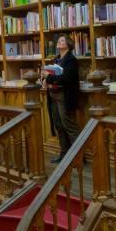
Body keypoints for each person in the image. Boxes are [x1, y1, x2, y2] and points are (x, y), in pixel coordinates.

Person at [44, 35, 81, 164]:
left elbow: (67, 79)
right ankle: (64, 154)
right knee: (59, 125)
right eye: (58, 40)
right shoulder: (56, 60)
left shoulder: (71, 60)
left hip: (65, 96)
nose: (59, 42)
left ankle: (78, 157)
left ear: (68, 44)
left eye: (62, 40)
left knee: (69, 125)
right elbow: (51, 78)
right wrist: (47, 78)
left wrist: (50, 77)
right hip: (53, 95)